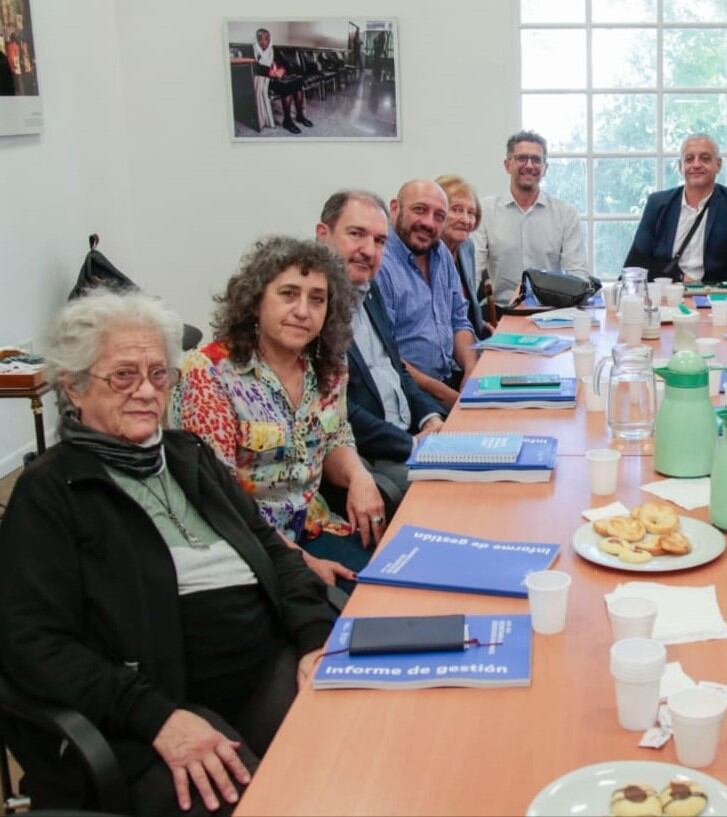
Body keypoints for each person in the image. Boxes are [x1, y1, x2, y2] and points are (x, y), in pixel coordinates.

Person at [0, 290, 335, 815]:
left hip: (260, 668)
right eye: (123, 376)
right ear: (74, 387)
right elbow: (32, 643)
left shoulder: (187, 456)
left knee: (357, 745)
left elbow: (275, 553)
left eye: (159, 374)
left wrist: (315, 639)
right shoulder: (51, 491)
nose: (145, 392)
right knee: (262, 804)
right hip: (153, 704)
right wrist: (154, 716)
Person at [171, 236, 384, 588]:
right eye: (288, 294)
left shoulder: (327, 367)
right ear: (256, 302)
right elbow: (219, 497)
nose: (303, 311)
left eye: (317, 299)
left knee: (398, 579)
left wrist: (359, 477)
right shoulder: (209, 373)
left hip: (313, 524)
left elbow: (335, 437)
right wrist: (300, 562)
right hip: (250, 547)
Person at [315, 190, 446, 510]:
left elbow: (395, 368)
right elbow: (335, 407)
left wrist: (430, 416)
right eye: (356, 234)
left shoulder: (369, 290)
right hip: (369, 457)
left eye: (379, 241)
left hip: (409, 436)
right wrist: (411, 444)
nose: (369, 251)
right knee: (458, 498)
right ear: (323, 235)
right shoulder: (311, 308)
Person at [376, 179, 479, 409]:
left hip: (448, 381)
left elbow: (459, 321)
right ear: (395, 209)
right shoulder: (380, 265)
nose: (428, 223)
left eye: (439, 216)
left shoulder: (441, 253)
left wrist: (472, 372)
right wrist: (449, 398)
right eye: (419, 210)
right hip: (407, 395)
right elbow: (385, 355)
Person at [473, 130, 587, 308]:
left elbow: (578, 277)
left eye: (536, 160)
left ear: (545, 168)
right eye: (521, 158)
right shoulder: (485, 211)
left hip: (551, 313)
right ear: (507, 165)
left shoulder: (565, 214)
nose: (529, 165)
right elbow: (473, 271)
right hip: (502, 312)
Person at [624, 133, 727, 284]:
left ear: (718, 164)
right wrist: (679, 277)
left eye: (705, 158)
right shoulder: (658, 204)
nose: (696, 165)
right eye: (689, 159)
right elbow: (636, 263)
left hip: (716, 297)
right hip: (666, 293)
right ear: (680, 166)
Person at [436, 173, 492, 338]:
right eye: (456, 210)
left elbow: (463, 309)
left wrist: (479, 324)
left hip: (469, 339)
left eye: (471, 213)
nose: (466, 220)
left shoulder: (466, 247)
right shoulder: (427, 254)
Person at [253, 28, 312, 135]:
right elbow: (255, 68)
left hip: (277, 78)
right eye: (260, 38)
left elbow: (283, 64)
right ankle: (287, 121)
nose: (264, 41)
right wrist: (272, 72)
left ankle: (300, 115)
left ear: (270, 38)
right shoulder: (253, 50)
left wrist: (281, 70)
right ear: (257, 39)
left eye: (266, 38)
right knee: (287, 87)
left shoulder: (272, 49)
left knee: (298, 82)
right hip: (265, 80)